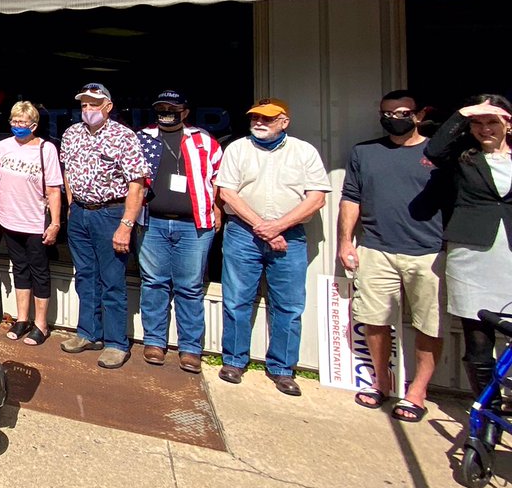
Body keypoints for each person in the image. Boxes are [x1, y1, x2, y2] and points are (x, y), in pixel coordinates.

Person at [338, 90, 446, 421]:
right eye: (386, 113)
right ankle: (381, 382)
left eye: (401, 112)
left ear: (418, 115)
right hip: (376, 248)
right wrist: (346, 241)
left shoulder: (439, 154)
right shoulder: (365, 152)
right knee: (374, 319)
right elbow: (350, 197)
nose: (392, 118)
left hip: (428, 253)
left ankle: (417, 392)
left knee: (429, 324)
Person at [215, 98, 331, 396]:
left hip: (288, 237)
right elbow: (227, 193)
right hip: (243, 233)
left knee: (288, 305)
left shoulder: (304, 152)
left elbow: (316, 198)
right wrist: (263, 227)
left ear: (284, 122)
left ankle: (282, 368)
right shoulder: (237, 149)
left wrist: (277, 227)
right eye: (255, 118)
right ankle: (233, 360)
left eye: (267, 119)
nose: (259, 123)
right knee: (237, 299)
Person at [425, 94, 512, 400]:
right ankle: (487, 407)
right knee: (478, 341)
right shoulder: (463, 157)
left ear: (508, 124)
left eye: (492, 121)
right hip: (472, 257)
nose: (485, 128)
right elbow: (434, 149)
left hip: (509, 253)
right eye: (478, 123)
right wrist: (464, 112)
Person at [58, 82, 149, 369]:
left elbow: (137, 185)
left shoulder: (124, 137)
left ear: (108, 107)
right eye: (84, 104)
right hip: (80, 213)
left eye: (94, 104)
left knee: (112, 280)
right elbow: (67, 172)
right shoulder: (72, 134)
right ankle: (88, 332)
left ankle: (115, 343)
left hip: (110, 214)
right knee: (85, 275)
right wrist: (72, 205)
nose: (88, 109)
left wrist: (126, 225)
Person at [135, 90, 223, 373]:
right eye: (160, 107)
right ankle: (154, 342)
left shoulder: (204, 141)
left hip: (193, 226)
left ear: (184, 111)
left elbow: (219, 179)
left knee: (189, 287)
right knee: (154, 283)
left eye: (172, 107)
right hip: (152, 222)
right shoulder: (142, 138)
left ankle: (190, 349)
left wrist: (218, 210)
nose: (166, 112)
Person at [0, 101, 62, 347]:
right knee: (19, 269)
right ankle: (22, 319)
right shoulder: (4, 146)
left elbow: (54, 190)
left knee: (39, 272)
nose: (18, 126)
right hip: (9, 221)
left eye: (23, 122)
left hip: (35, 222)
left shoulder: (46, 150)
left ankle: (40, 324)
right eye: (14, 121)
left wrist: (54, 223)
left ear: (34, 125)